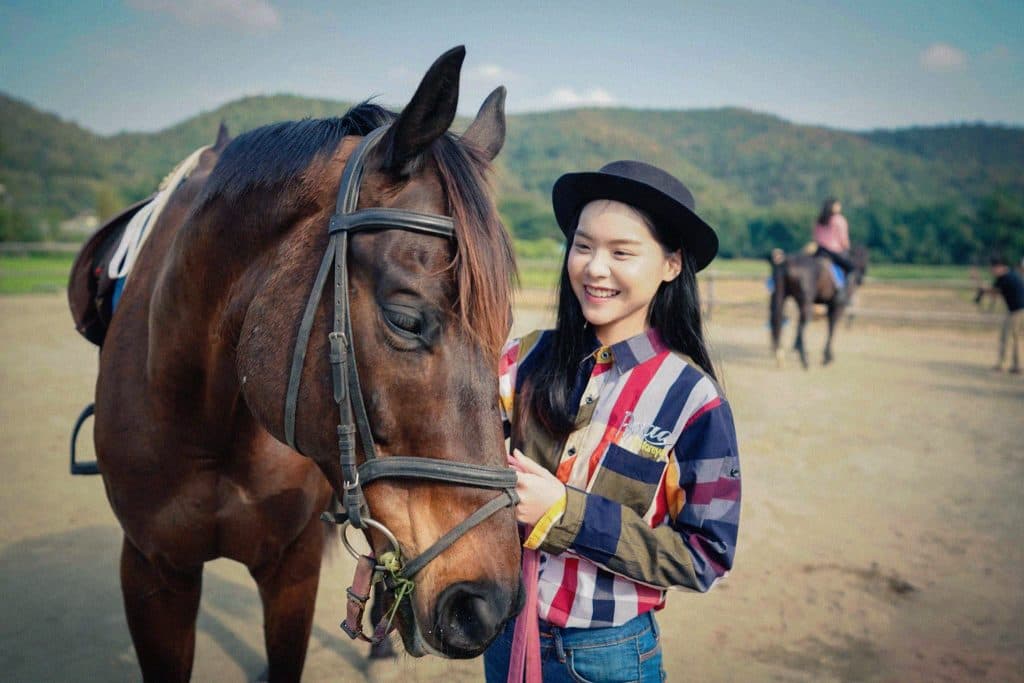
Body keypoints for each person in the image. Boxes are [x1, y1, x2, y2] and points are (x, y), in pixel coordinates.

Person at [484, 161, 740, 682]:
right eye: (583, 246)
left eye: (621, 252)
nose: (595, 268)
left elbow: (705, 557)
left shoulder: (693, 399)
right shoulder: (522, 359)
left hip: (609, 655)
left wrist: (565, 514)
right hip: (504, 635)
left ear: (671, 264)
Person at [984, 255, 1024, 374]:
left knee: (1007, 337)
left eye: (993, 268)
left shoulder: (1005, 278)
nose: (991, 271)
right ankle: (1015, 365)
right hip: (1015, 310)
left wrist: (983, 289)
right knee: (1014, 337)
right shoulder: (1010, 275)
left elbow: (993, 292)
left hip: (1016, 311)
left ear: (999, 267)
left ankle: (1003, 364)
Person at [812, 197, 857, 284]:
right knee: (851, 268)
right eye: (838, 205)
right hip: (833, 252)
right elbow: (843, 239)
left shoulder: (819, 219)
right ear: (833, 207)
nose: (840, 207)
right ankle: (843, 290)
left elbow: (815, 237)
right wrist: (848, 248)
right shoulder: (839, 219)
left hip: (820, 251)